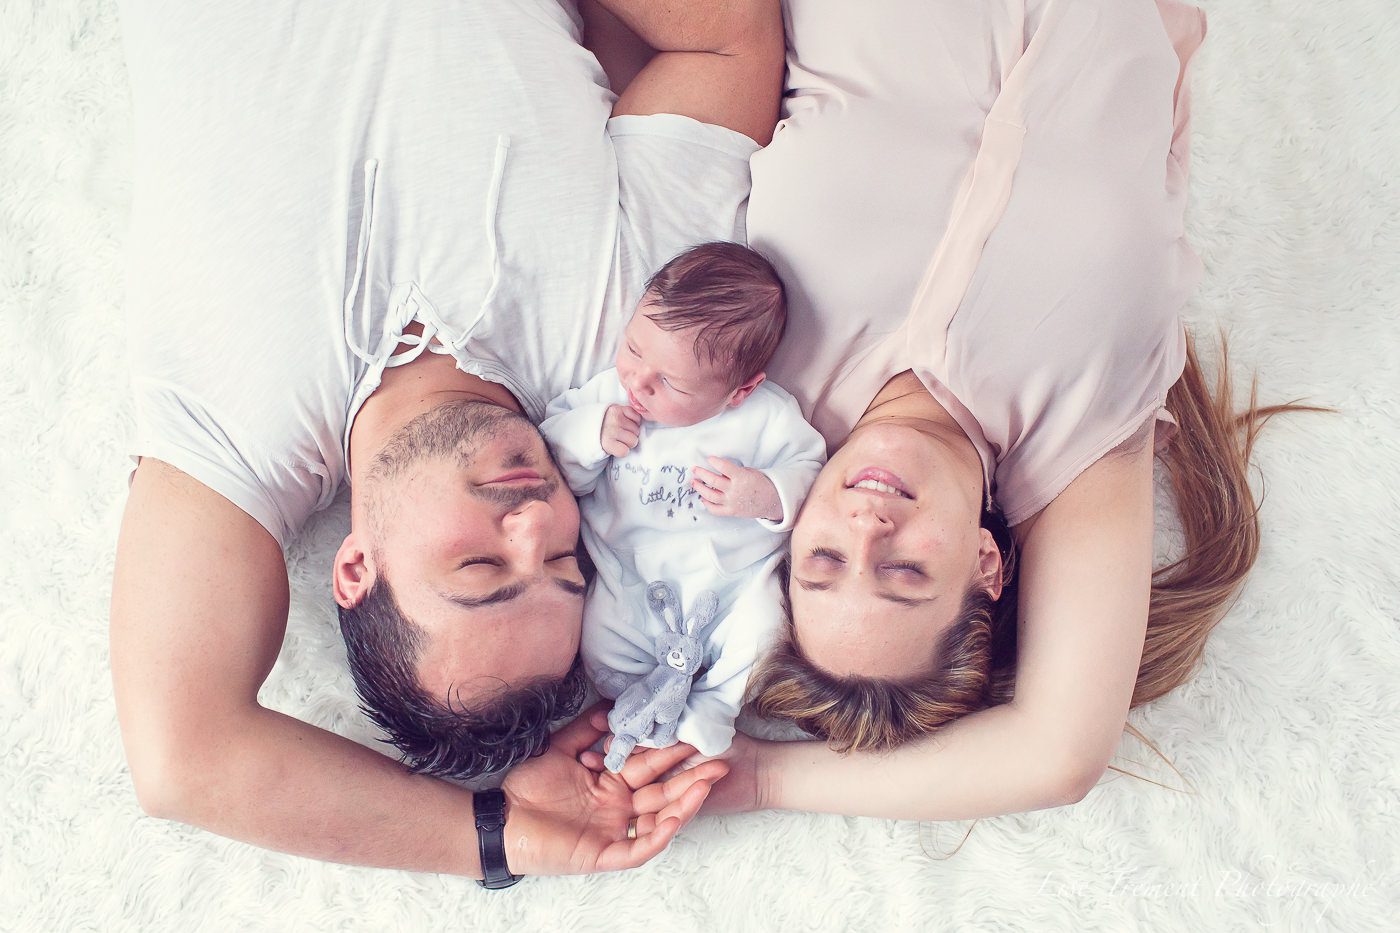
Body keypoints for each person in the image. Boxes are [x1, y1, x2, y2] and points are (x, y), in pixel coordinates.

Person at [110, 0, 783, 877]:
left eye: (482, 570)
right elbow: (726, 36)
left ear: (354, 568)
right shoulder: (633, 344)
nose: (539, 524)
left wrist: (497, 838)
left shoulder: (242, 430)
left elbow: (180, 762)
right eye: (567, 567)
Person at [588, 0, 1299, 822]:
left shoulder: (746, 365)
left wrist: (721, 759)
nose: (866, 526)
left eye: (823, 560)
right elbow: (1060, 754)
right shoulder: (1080, 432)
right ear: (986, 566)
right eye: (905, 572)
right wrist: (765, 779)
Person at [540, 242, 826, 763]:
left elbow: (812, 477)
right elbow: (553, 461)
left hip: (732, 587)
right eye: (632, 349)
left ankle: (714, 707)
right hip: (633, 580)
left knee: (763, 633)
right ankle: (637, 700)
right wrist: (590, 435)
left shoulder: (769, 417)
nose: (637, 382)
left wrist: (764, 493)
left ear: (740, 391)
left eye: (668, 382)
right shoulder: (606, 396)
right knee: (600, 643)